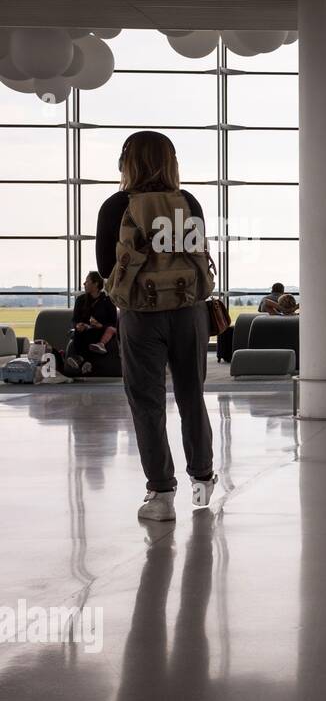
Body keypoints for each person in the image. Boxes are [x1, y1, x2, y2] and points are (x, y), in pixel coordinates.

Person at [96, 130, 216, 522]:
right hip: (189, 311)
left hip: (140, 316)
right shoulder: (188, 201)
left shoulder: (116, 206)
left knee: (147, 403)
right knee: (190, 396)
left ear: (126, 163)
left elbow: (105, 269)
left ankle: (161, 494)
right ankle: (202, 478)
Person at [64, 271, 118, 376]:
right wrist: (77, 325)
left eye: (87, 281)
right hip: (84, 330)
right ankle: (85, 362)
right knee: (78, 333)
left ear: (96, 284)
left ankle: (81, 359)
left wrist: (100, 325)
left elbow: (113, 322)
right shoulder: (80, 300)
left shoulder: (108, 301)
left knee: (88, 334)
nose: (84, 284)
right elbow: (75, 319)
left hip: (100, 330)